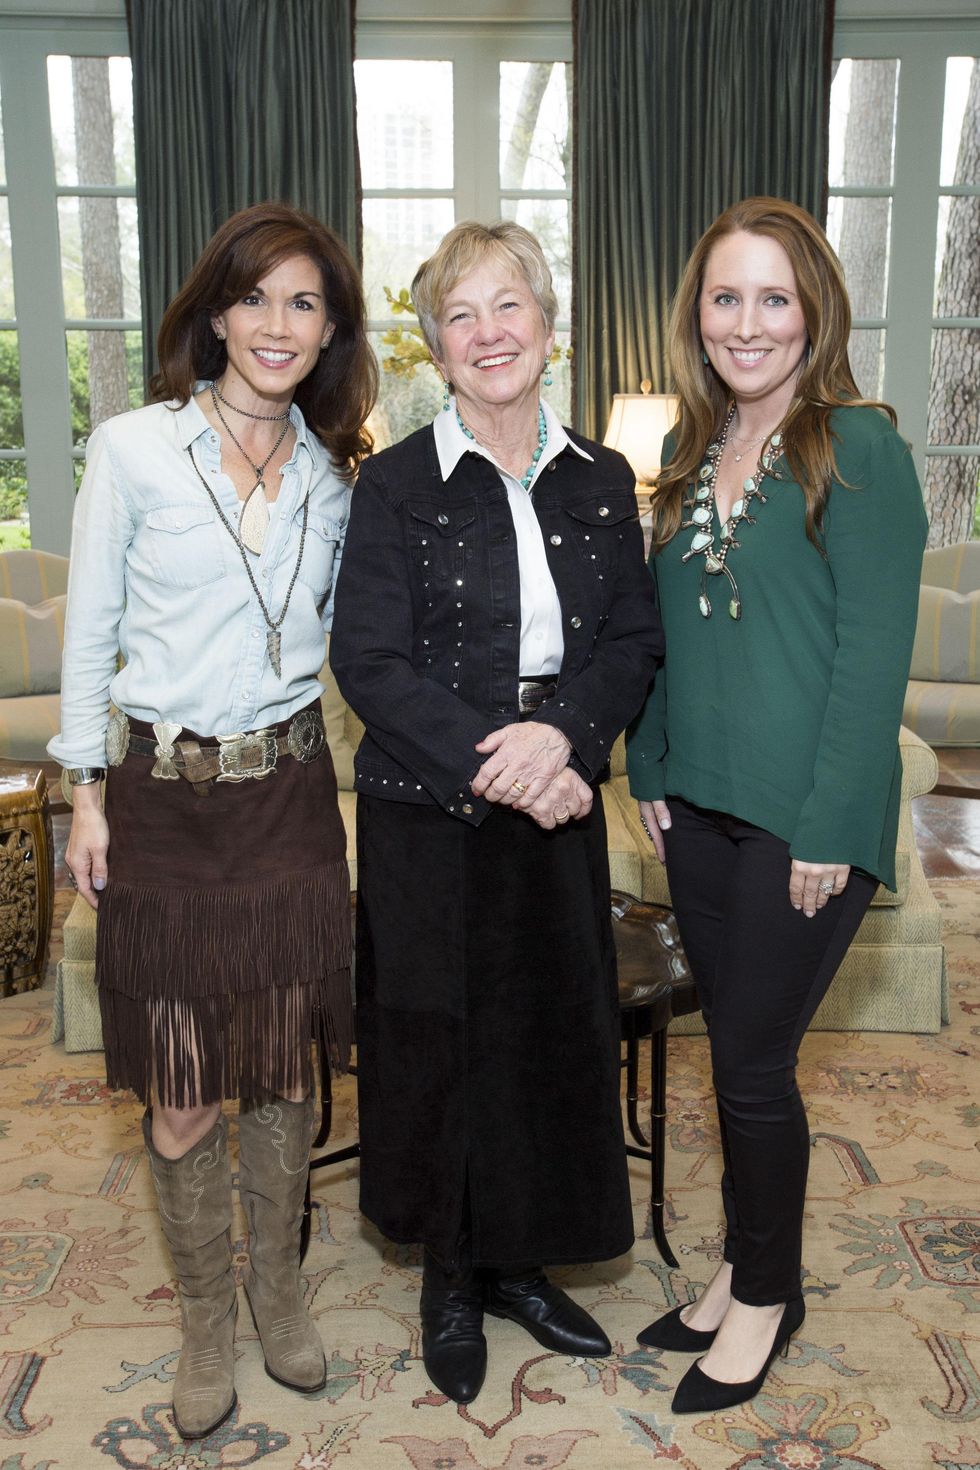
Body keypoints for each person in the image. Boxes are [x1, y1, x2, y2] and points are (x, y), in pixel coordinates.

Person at [49, 202, 377, 1440]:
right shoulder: (134, 450)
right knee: (185, 1085)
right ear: (216, 315)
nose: (277, 324)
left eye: (304, 302)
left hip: (289, 800)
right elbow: (90, 632)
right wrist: (85, 792)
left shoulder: (339, 479)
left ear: (330, 329)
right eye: (254, 298)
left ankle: (278, 1295)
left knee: (284, 1074)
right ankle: (204, 1323)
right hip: (163, 804)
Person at [329, 220, 663, 1404]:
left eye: (506, 306)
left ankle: (520, 1265)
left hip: (556, 787)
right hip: (429, 804)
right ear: (435, 347)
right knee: (433, 1035)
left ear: (546, 324)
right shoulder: (392, 482)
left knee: (543, 1029)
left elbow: (631, 641)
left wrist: (561, 738)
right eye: (459, 316)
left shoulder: (601, 478)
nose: (486, 334)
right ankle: (448, 1276)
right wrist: (506, 763)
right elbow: (368, 661)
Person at [626, 197, 927, 1413]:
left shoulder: (857, 449)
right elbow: (664, 633)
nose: (744, 323)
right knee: (733, 1061)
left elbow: (870, 662)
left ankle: (763, 1295)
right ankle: (740, 1270)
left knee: (751, 1067)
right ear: (696, 314)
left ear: (812, 313)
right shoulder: (690, 448)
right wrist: (648, 763)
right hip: (697, 807)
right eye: (723, 297)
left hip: (802, 818)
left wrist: (828, 825)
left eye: (771, 298)